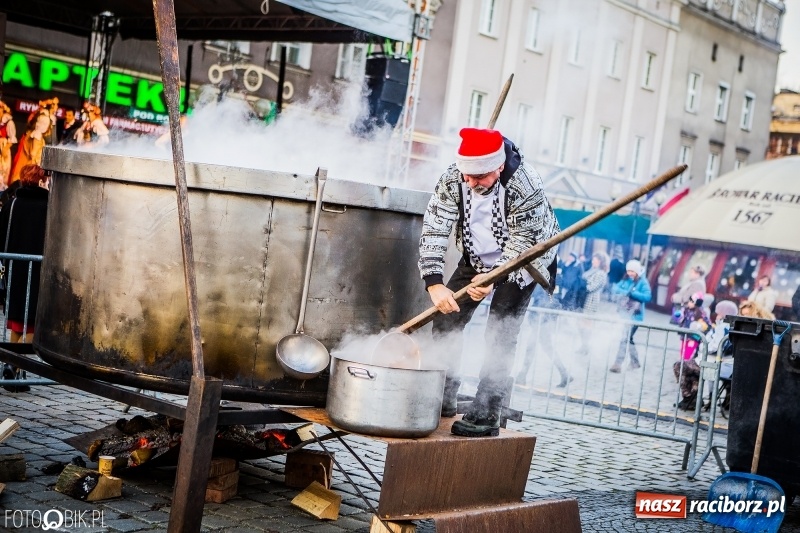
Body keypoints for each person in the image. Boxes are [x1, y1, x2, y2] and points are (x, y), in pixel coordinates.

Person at [418, 127, 559, 437]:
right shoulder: (456, 175)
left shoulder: (526, 184)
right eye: (467, 175)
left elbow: (524, 241)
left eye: (479, 177)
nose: (470, 182)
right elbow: (435, 224)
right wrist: (434, 282)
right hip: (475, 254)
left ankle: (487, 411)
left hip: (524, 263)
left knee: (501, 332)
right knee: (446, 320)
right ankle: (441, 394)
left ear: (498, 166)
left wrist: (494, 278)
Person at [0, 164, 50, 393]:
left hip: (14, 268)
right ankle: (14, 366)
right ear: (39, 181)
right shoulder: (48, 206)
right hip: (37, 269)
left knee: (16, 322)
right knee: (31, 322)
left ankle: (13, 373)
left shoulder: (12, 203)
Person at [672, 300, 738, 411]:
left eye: (718, 313)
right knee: (691, 371)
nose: (716, 315)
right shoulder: (731, 326)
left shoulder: (722, 327)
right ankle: (694, 399)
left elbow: (716, 346)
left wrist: (704, 346)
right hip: (718, 364)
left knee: (679, 366)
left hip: (710, 363)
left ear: (723, 313)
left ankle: (689, 397)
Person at [517, 287, 572, 389]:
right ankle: (564, 374)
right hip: (540, 318)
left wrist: (543, 317)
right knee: (540, 348)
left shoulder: (553, 278)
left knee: (535, 347)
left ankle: (522, 375)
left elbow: (552, 299)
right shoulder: (548, 276)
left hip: (543, 320)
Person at [609, 259, 652, 373]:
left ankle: (618, 364)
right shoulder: (625, 279)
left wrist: (633, 293)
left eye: (632, 271)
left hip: (635, 317)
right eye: (628, 271)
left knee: (625, 338)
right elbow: (615, 288)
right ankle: (635, 362)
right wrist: (624, 291)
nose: (630, 273)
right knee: (628, 339)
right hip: (624, 314)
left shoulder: (643, 282)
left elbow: (647, 297)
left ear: (637, 271)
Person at [577, 252, 609, 355]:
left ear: (600, 262)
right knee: (581, 325)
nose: (592, 261)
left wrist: (583, 283)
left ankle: (586, 346)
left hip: (591, 301)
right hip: (583, 300)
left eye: (594, 260)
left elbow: (592, 287)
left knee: (587, 325)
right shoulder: (591, 271)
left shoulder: (601, 274)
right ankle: (583, 345)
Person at [8, 112, 51, 188]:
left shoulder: (30, 133)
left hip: (22, 167)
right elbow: (33, 153)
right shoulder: (37, 136)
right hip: (28, 169)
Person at [675, 292, 711, 360]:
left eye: (692, 301)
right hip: (684, 335)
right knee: (682, 354)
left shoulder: (701, 312)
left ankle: (685, 367)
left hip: (693, 337)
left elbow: (708, 324)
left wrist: (700, 326)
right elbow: (680, 319)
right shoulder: (685, 310)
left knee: (688, 355)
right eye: (689, 300)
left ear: (696, 303)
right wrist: (678, 316)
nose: (689, 303)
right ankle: (681, 367)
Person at [0, 102, 17, 187]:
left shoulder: (8, 122)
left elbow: (12, 139)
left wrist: (4, 149)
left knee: (3, 171)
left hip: (3, 147)